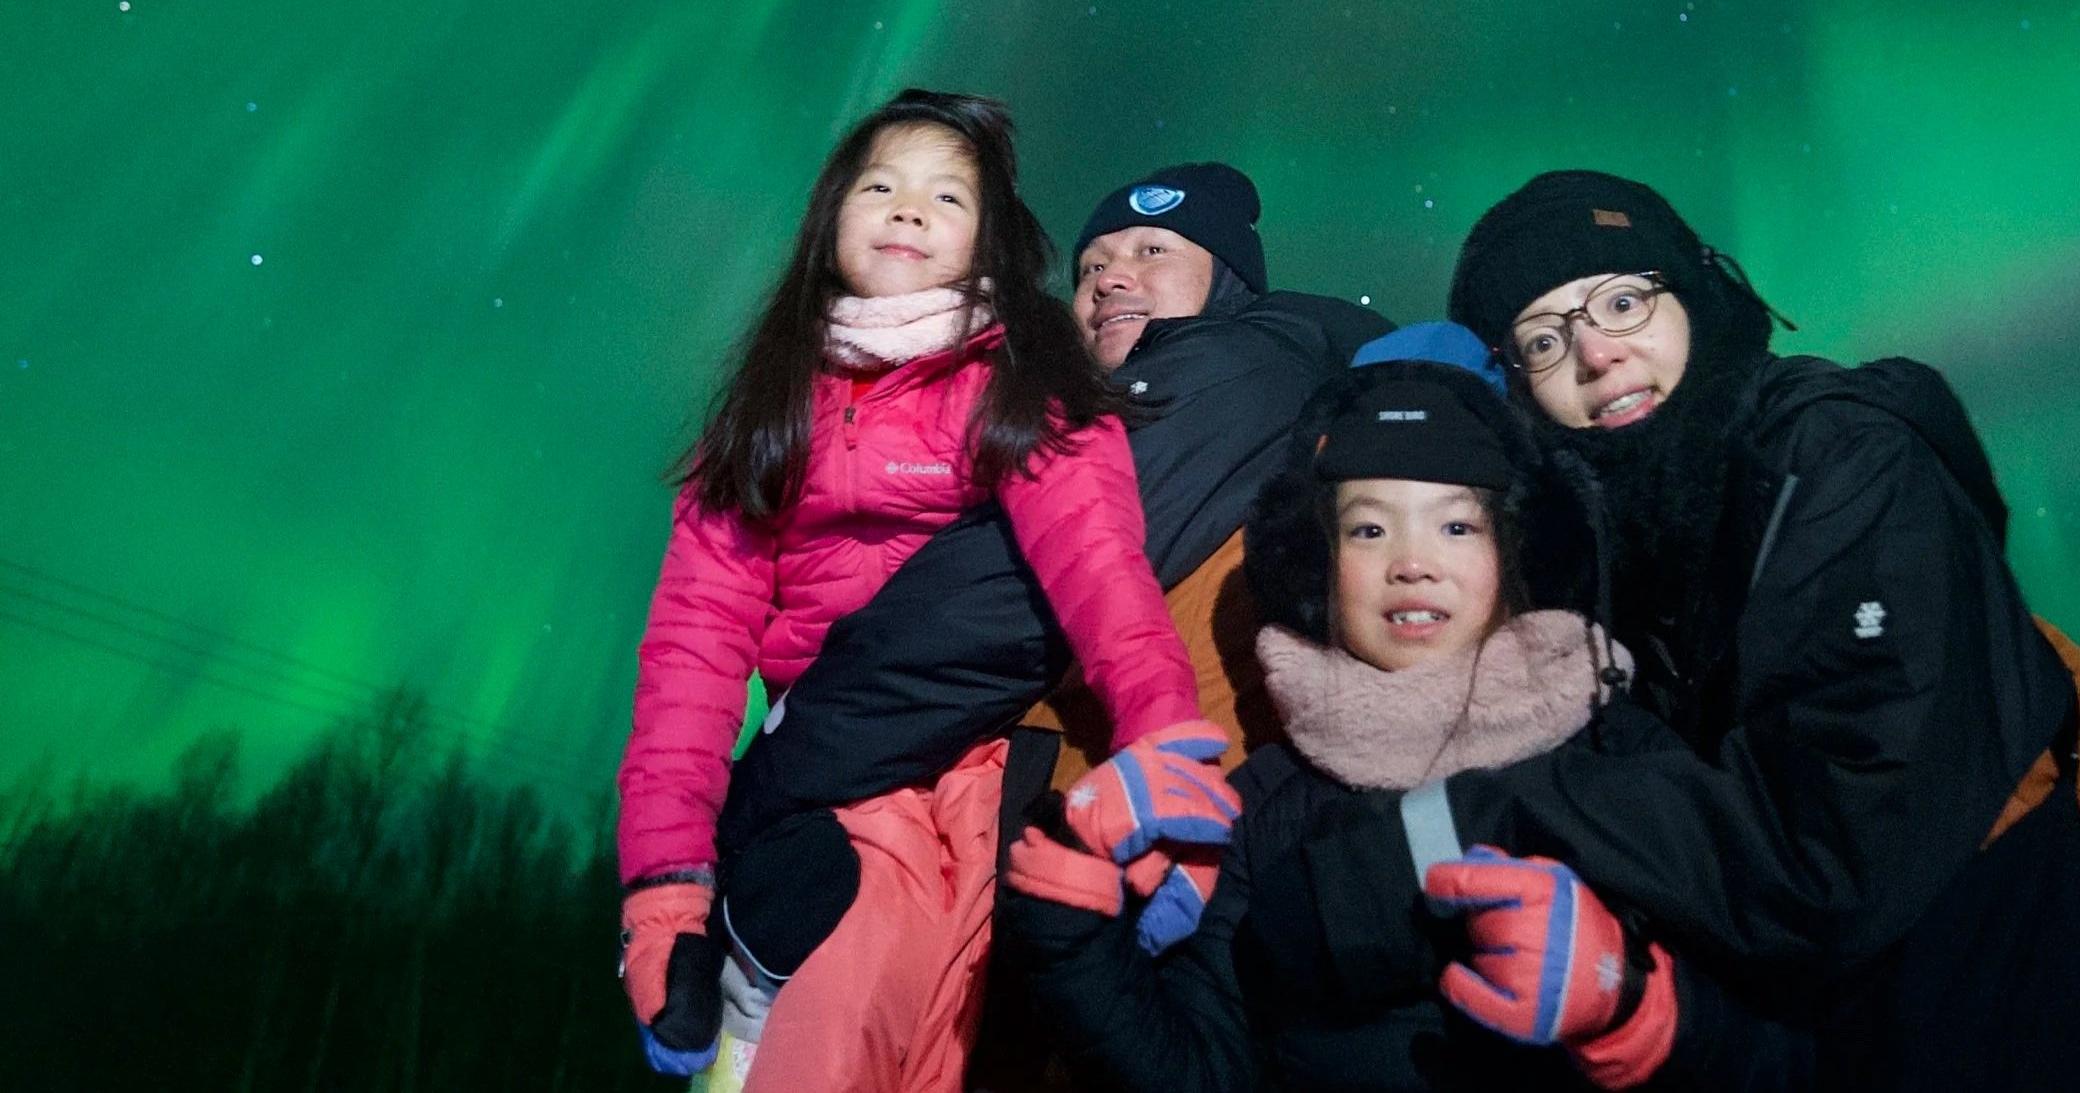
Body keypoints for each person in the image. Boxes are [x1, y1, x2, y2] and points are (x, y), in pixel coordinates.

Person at [1291, 171, 2080, 1092]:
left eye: (1623, 302)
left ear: (1696, 295)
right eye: (1544, 339)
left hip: (1991, 1017)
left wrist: (1453, 835)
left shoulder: (1840, 461)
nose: (1597, 354)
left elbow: (1834, 845)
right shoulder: (1617, 538)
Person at [708, 164, 1386, 1086]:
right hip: (1063, 886)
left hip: (1137, 886)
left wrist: (775, 776)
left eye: (1153, 250)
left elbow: (977, 606)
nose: (1109, 277)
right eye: (1092, 265)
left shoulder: (1232, 372)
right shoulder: (1079, 423)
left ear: (1227, 281)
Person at [1000, 340, 1816, 1091]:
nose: (1412, 563)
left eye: (1457, 525)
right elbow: (1202, 1071)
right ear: (1318, 566)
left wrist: (1643, 1015)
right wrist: (1072, 927)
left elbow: (1808, 1047)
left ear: (1514, 553)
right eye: (1368, 529)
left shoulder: (1625, 756)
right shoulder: (1264, 801)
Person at [613, 92, 1232, 1081]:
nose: (907, 207)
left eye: (947, 195)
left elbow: (1101, 570)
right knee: (817, 1011)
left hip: (973, 759)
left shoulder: (1019, 391)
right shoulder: (767, 413)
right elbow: (692, 654)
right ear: (828, 220)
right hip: (821, 770)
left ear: (989, 246)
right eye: (880, 187)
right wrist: (664, 897)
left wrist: (1160, 742)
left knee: (908, 1021)